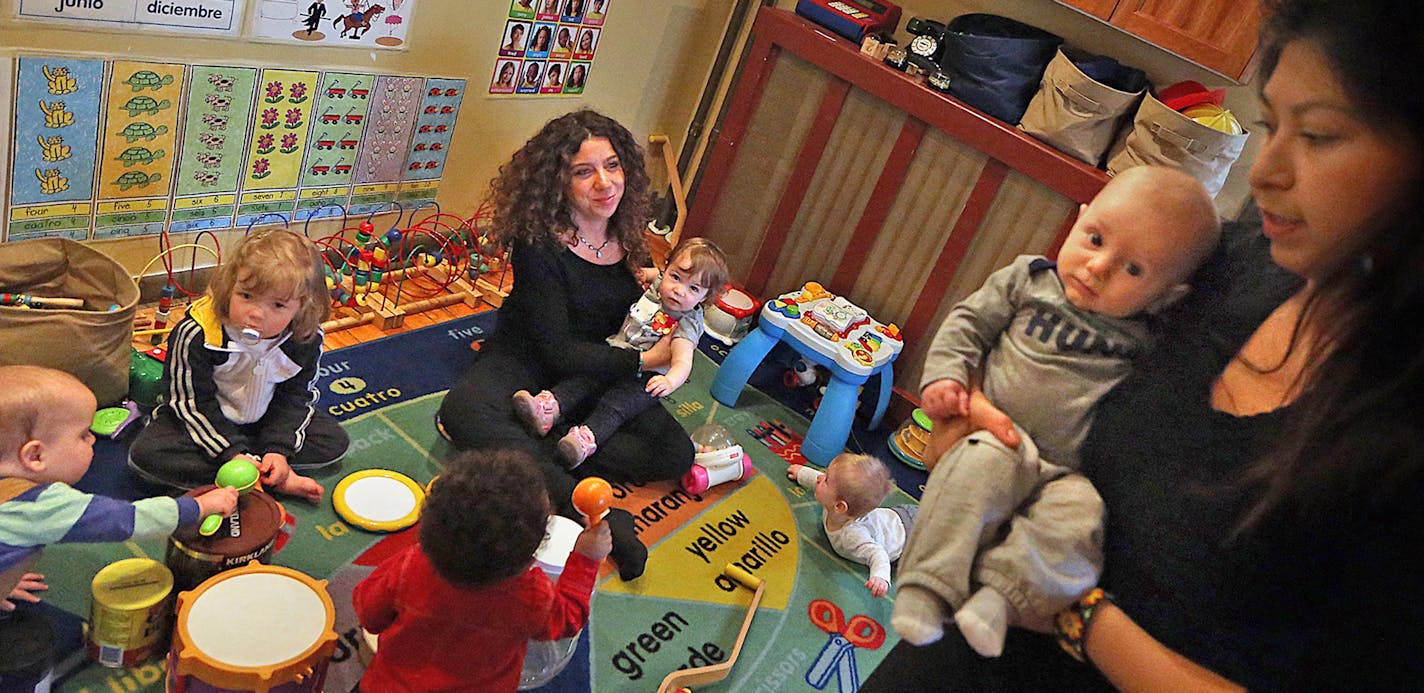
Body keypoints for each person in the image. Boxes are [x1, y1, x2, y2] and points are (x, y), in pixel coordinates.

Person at [863, 0, 1424, 689]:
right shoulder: (1242, 258)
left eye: (1318, 137)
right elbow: (1048, 345)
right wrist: (972, 410)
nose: (1264, 173)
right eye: (1270, 126)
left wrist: (1077, 614)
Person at [892, 166, 1220, 658]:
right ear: (1079, 219)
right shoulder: (1030, 281)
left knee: (1079, 522)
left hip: (1068, 472)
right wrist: (945, 378)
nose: (1097, 267)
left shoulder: (1146, 339)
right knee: (973, 475)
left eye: (1133, 270)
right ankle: (925, 588)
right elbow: (968, 324)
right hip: (999, 440)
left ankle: (1000, 601)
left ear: (1166, 297)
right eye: (1094, 238)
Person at [436, 110, 696, 582]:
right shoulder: (539, 243)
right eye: (584, 171)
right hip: (529, 357)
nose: (605, 182)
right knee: (463, 413)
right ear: (558, 182)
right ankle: (589, 511)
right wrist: (643, 360)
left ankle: (544, 437)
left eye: (613, 166)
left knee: (674, 455)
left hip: (594, 369)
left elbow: (634, 318)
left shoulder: (625, 229)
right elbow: (556, 351)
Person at [353, 449, 609, 692]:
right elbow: (569, 618)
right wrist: (586, 559)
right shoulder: (530, 597)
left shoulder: (410, 565)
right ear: (528, 560)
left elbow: (369, 613)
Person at [128, 229, 348, 504]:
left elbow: (295, 398)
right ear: (230, 286)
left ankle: (254, 473)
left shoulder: (305, 338)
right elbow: (190, 403)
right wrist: (231, 452)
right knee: (146, 456)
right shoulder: (198, 333)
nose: (256, 313)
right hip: (206, 423)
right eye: (246, 296)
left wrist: (278, 450)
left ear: (300, 307)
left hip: (262, 422)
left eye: (278, 305)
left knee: (333, 441)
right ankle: (256, 478)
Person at [1, 366, 237, 612]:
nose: (93, 439)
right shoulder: (39, 505)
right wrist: (199, 507)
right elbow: (127, 520)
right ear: (35, 455)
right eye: (83, 435)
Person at [511, 238, 728, 468]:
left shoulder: (687, 322)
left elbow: (684, 361)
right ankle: (548, 409)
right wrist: (645, 273)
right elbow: (658, 274)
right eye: (676, 277)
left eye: (693, 288)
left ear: (704, 296)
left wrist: (669, 381)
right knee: (586, 378)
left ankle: (584, 440)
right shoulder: (662, 285)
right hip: (618, 353)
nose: (678, 290)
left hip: (644, 379)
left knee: (616, 406)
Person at [787, 454, 915, 598]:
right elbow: (822, 483)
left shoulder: (853, 536)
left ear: (840, 507)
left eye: (826, 480)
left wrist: (880, 577)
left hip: (913, 541)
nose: (819, 478)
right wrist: (802, 473)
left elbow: (879, 554)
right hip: (898, 516)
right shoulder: (834, 503)